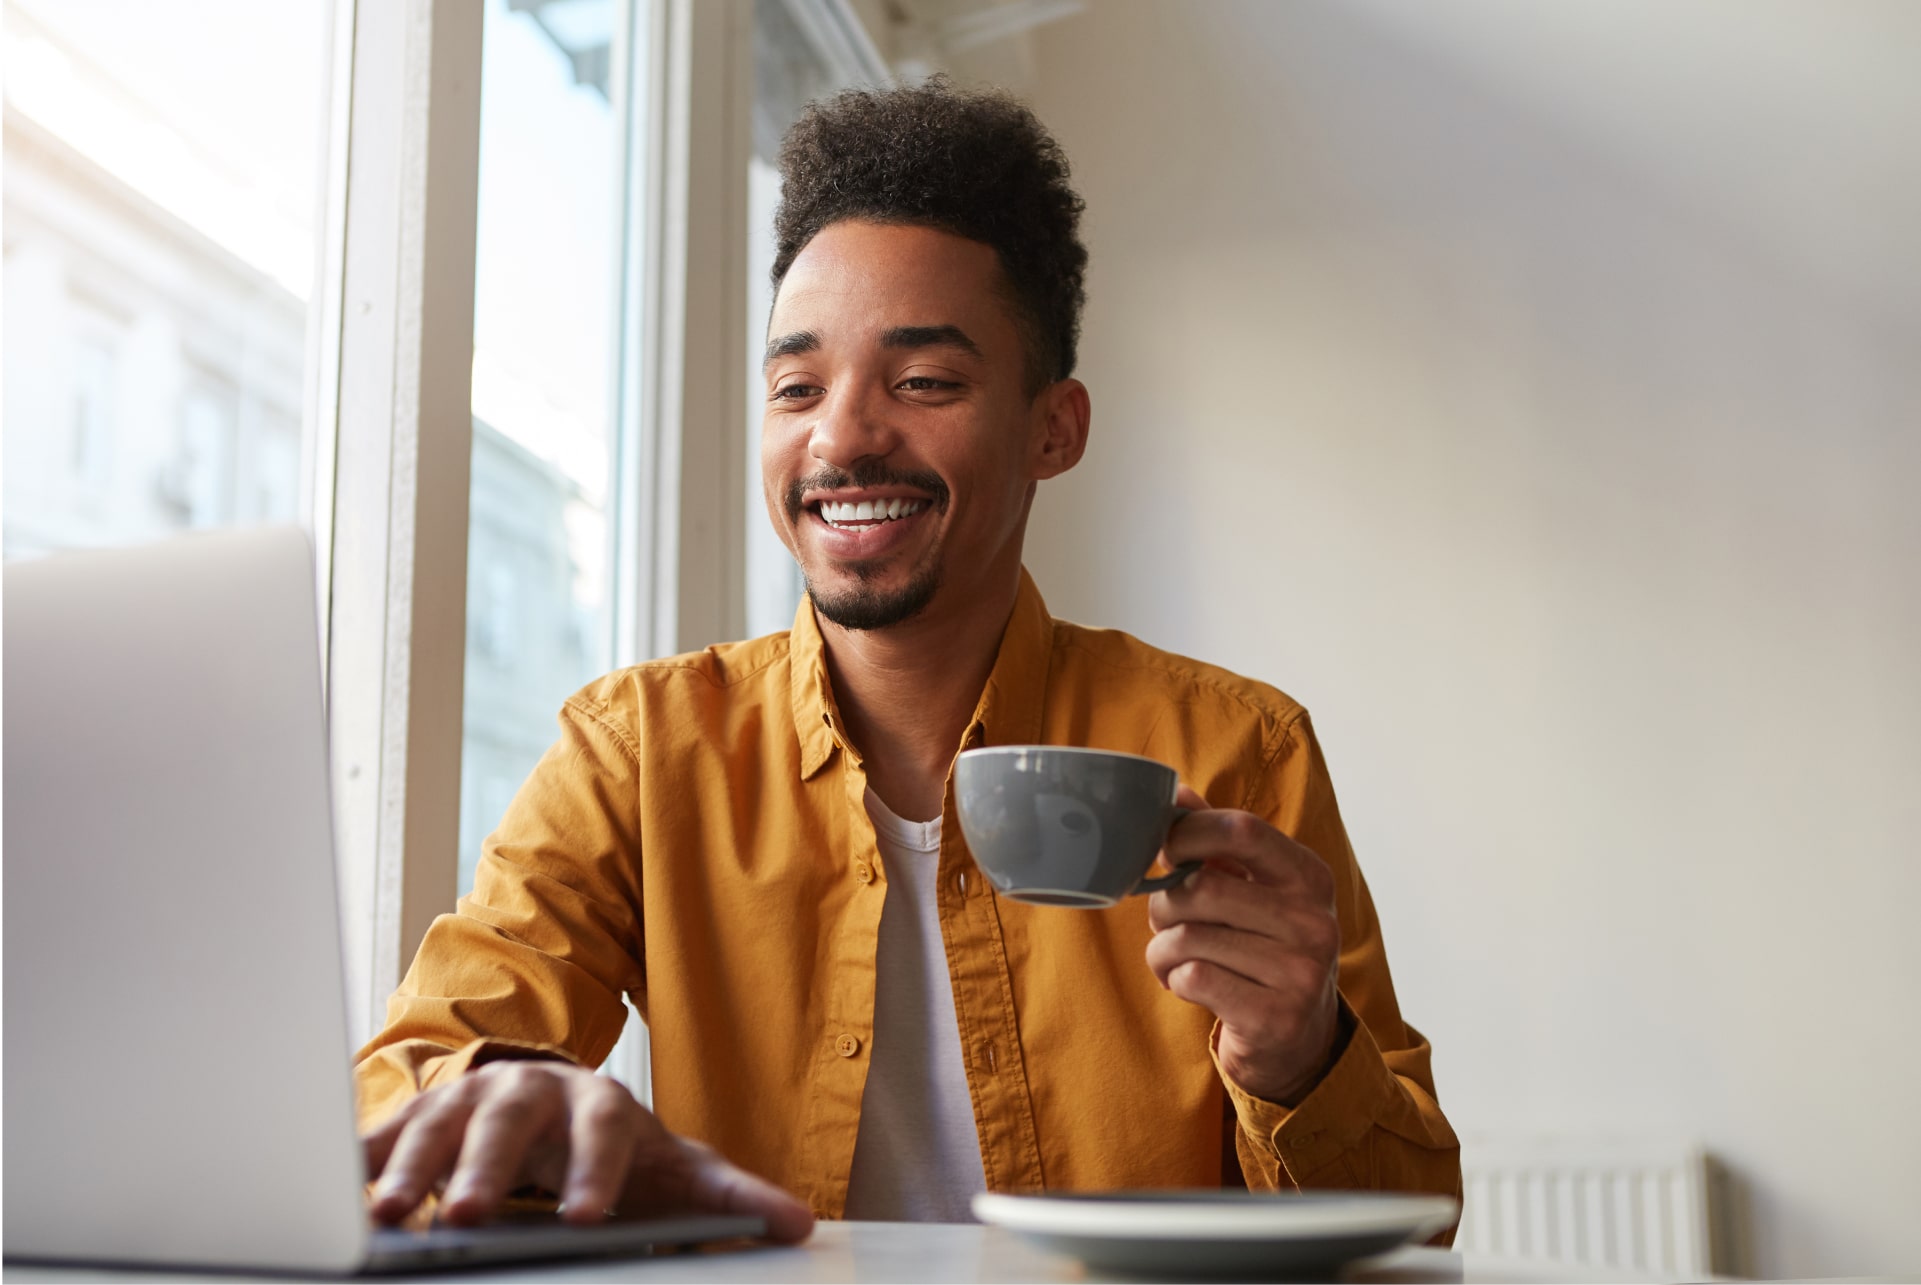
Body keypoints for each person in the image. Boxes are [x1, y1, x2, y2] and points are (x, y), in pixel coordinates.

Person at [356, 78, 1459, 1241]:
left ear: (1054, 428)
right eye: (797, 387)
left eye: (923, 380)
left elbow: (1415, 1230)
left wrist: (1299, 1054)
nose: (840, 436)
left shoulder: (1238, 751)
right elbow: (402, 1078)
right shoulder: (637, 753)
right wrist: (493, 1094)